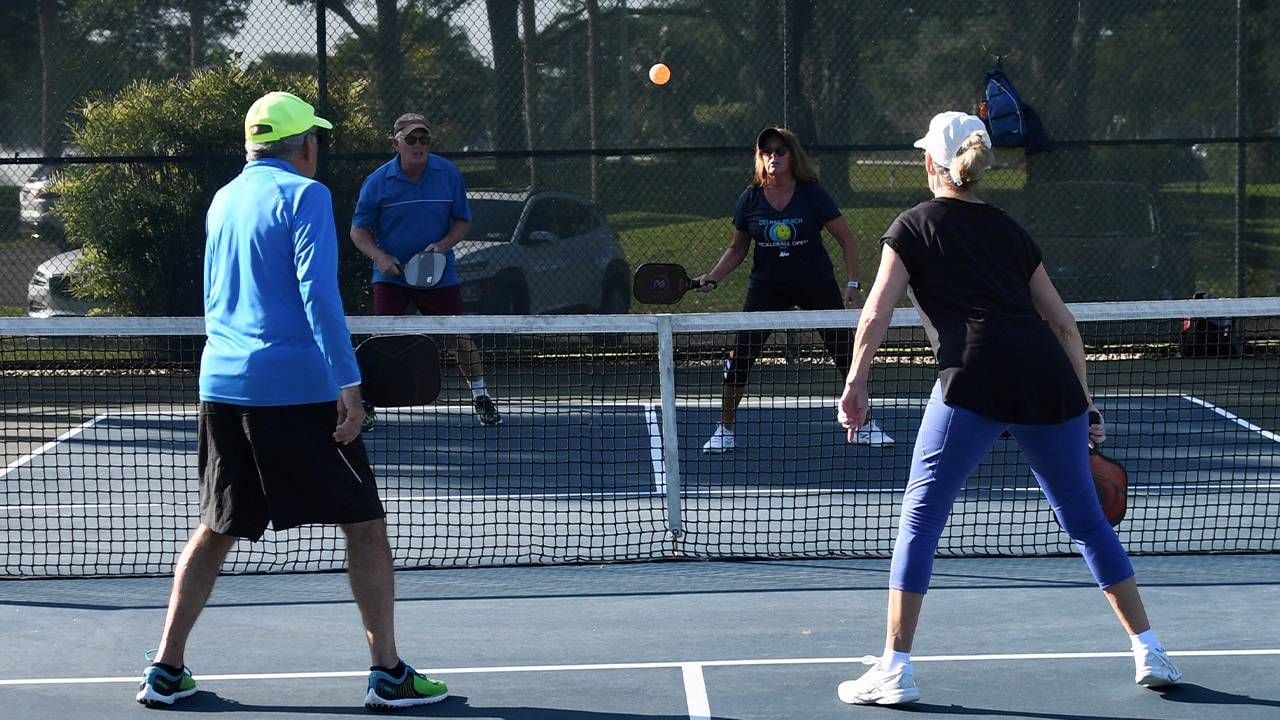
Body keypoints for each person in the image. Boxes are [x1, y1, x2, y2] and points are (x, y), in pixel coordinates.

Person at [835, 111, 1182, 705]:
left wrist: (855, 383)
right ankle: (1150, 650)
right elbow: (1064, 325)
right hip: (1048, 378)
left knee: (921, 517)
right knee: (1087, 524)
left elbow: (875, 314)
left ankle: (895, 669)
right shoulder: (1010, 229)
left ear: (929, 164)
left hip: (972, 378)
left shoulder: (911, 226)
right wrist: (1087, 406)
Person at [135, 92, 448, 711]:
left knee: (215, 528)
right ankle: (388, 674)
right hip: (298, 391)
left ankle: (164, 671)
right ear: (304, 145)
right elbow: (318, 296)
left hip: (222, 386)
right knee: (364, 525)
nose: (317, 152)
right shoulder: (307, 196)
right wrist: (349, 384)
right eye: (317, 141)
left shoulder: (224, 199)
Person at [694, 126, 886, 453]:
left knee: (846, 354)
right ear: (760, 158)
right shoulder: (750, 198)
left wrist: (853, 283)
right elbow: (737, 249)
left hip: (816, 283)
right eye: (767, 151)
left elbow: (846, 238)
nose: (773, 156)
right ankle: (724, 429)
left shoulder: (812, 193)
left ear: (792, 155)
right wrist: (713, 276)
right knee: (741, 357)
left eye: (780, 150)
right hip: (767, 288)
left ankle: (865, 424)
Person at [351, 112, 501, 430]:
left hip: (438, 273)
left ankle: (481, 396)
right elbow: (358, 231)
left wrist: (443, 246)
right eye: (411, 139)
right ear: (396, 144)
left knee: (458, 337)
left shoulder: (448, 174)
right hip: (391, 275)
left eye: (424, 139)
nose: (419, 145)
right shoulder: (377, 182)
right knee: (382, 341)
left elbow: (463, 221)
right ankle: (367, 403)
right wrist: (379, 257)